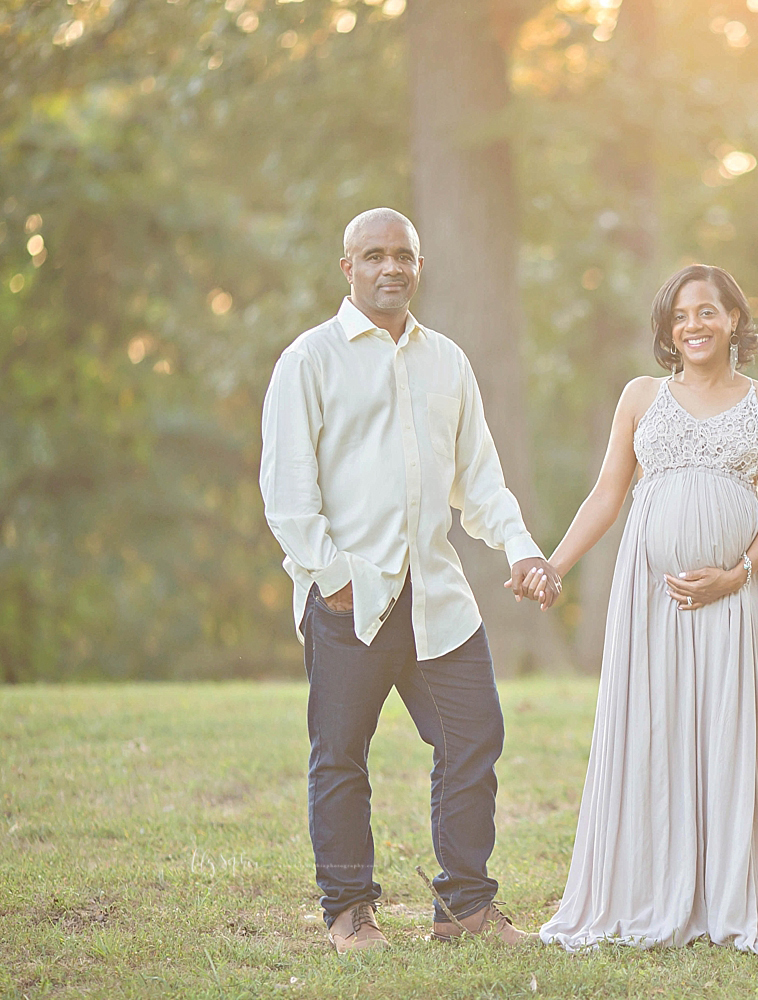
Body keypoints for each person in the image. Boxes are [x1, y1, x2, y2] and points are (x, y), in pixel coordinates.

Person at [535, 264, 758, 954]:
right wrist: (553, 565)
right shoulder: (639, 396)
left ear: (736, 320)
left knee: (725, 729)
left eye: (708, 312)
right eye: (681, 316)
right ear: (667, 328)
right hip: (648, 597)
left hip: (735, 597)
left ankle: (729, 894)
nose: (694, 326)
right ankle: (649, 891)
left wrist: (736, 573)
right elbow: (606, 496)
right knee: (651, 730)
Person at [259, 208, 559, 954]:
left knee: (473, 737)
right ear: (347, 267)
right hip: (350, 601)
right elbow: (288, 492)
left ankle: (463, 910)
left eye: (403, 256)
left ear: (419, 265)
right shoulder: (310, 360)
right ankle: (348, 912)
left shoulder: (447, 362)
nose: (390, 268)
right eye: (374, 256)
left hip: (439, 600)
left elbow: (480, 482)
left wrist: (520, 550)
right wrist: (332, 579)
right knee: (341, 755)